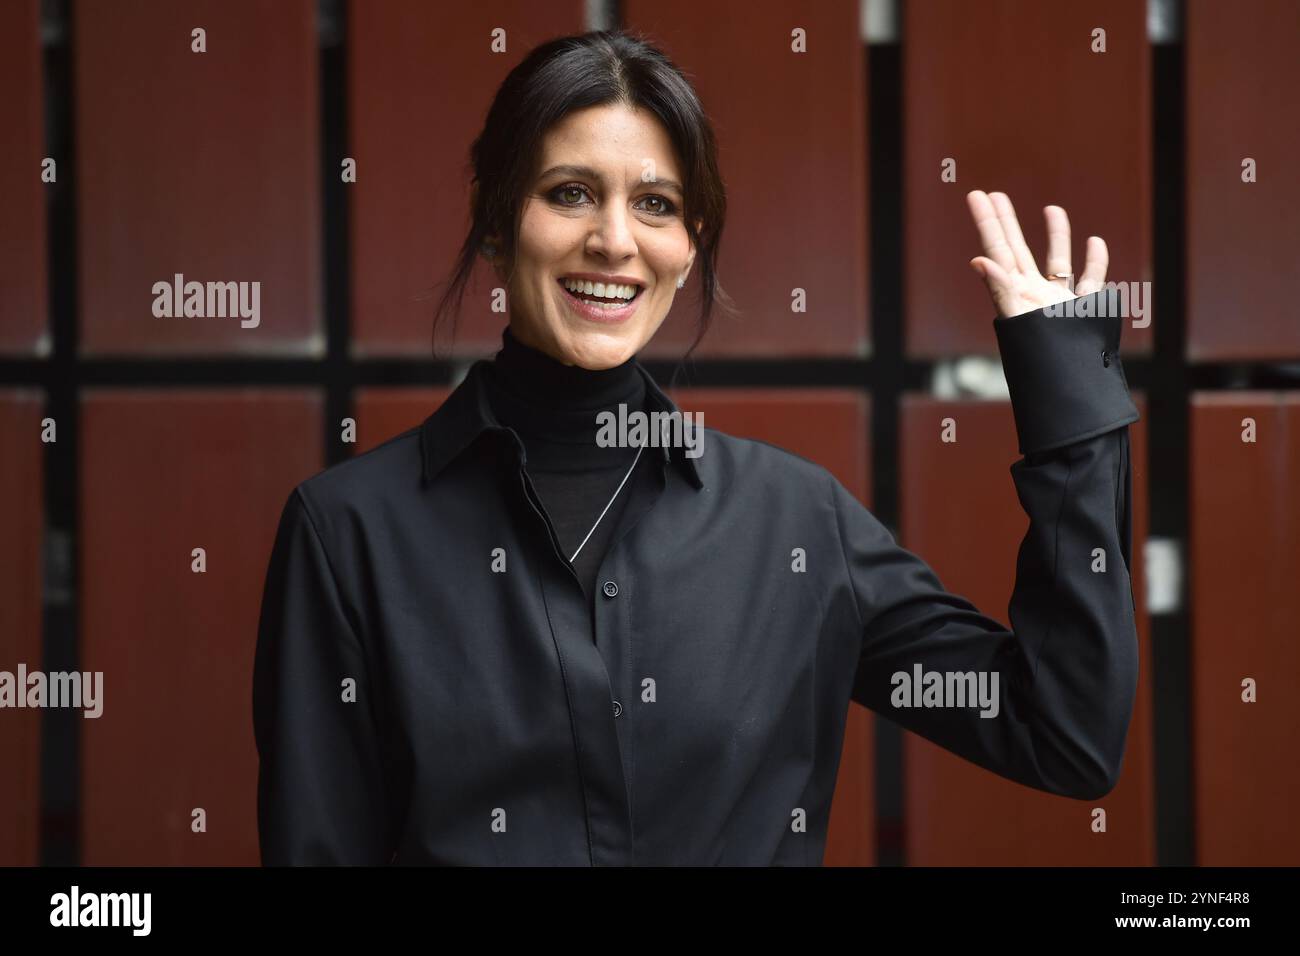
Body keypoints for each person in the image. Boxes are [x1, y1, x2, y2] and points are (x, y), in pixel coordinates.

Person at [252, 29, 1139, 866]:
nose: (614, 240)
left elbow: (1061, 733)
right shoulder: (348, 535)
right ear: (494, 217)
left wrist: (1067, 397)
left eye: (656, 205)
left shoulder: (797, 522)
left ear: (689, 245)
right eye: (568, 193)